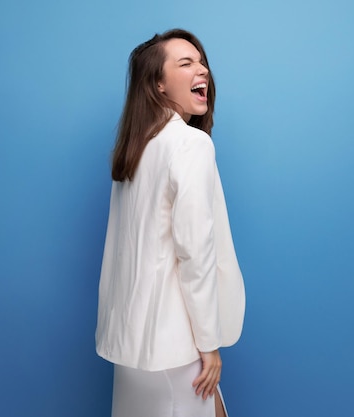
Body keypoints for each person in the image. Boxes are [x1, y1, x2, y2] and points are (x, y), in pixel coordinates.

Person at [95, 28, 245, 417]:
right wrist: (208, 344)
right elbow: (194, 253)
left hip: (133, 350)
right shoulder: (191, 145)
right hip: (176, 348)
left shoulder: (135, 148)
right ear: (158, 84)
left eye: (201, 61)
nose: (203, 70)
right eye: (186, 63)